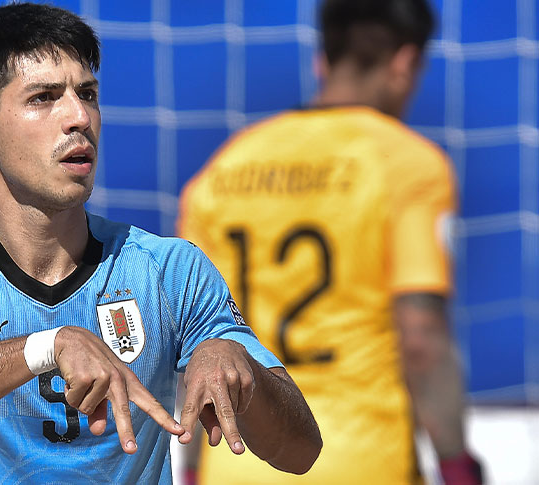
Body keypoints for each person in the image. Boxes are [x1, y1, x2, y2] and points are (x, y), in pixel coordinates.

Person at [0, 3, 322, 484]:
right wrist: (47, 347)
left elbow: (301, 451)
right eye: (43, 97)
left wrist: (239, 363)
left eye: (88, 94)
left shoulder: (169, 269)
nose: (79, 116)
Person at [177, 0, 483, 483]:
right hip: (362, 460)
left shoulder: (221, 171)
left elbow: (191, 348)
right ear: (404, 63)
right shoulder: (408, 164)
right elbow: (421, 339)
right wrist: (456, 466)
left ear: (323, 60)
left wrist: (193, 473)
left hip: (238, 462)